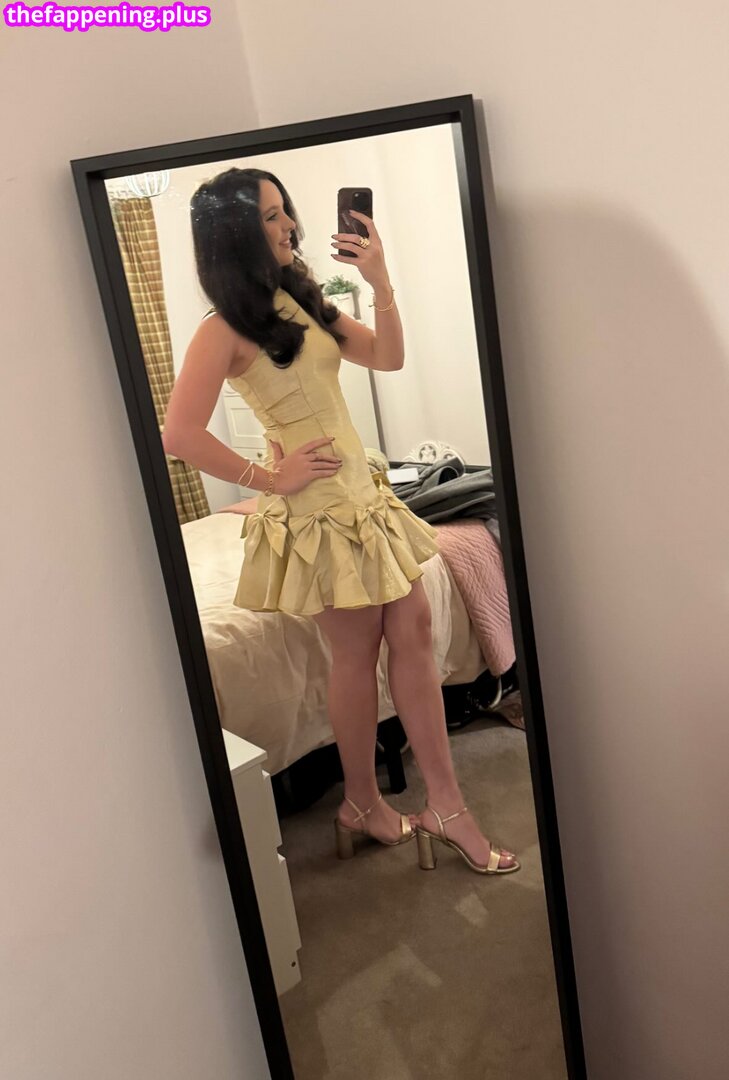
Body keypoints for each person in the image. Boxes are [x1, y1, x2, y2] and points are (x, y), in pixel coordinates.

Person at [162, 167, 519, 875]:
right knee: (356, 654)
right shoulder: (222, 327)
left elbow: (387, 356)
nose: (289, 224)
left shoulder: (300, 297)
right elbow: (179, 433)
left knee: (413, 630)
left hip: (363, 495)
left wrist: (380, 282)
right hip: (316, 513)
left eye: (284, 210)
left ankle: (434, 804)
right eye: (270, 216)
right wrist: (270, 478)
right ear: (234, 234)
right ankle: (368, 801)